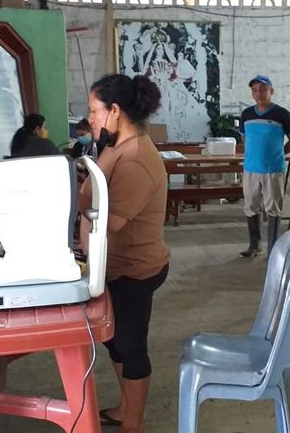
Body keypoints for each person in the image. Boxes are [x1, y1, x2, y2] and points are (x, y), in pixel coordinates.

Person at [78, 74, 169, 433]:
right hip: (114, 266)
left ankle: (134, 422)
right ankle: (125, 407)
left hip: (135, 269)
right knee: (115, 343)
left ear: (115, 110)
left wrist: (77, 206)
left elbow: (109, 223)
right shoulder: (115, 145)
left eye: (94, 111)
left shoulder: (135, 159)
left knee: (130, 347)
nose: (90, 119)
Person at [238, 75, 290, 258]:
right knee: (251, 205)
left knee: (273, 207)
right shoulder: (246, 114)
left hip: (273, 169)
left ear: (271, 91)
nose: (259, 93)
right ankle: (254, 245)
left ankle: (273, 248)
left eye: (263, 89)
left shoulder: (281, 114)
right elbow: (244, 138)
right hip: (251, 168)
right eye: (255, 90)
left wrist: (280, 153)